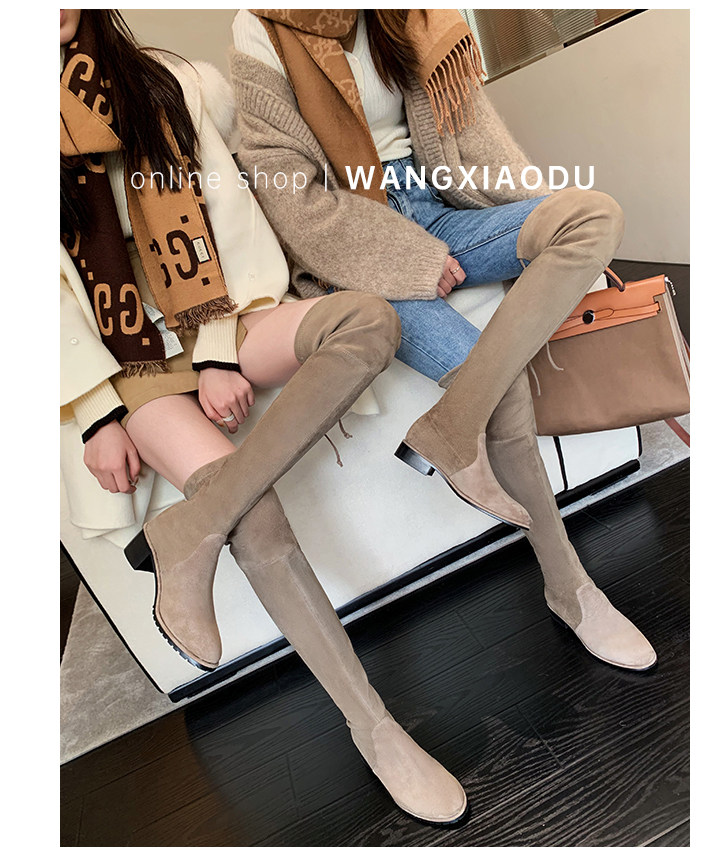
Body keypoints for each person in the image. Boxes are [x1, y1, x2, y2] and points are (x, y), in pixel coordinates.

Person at [60, 9, 468, 825]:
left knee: (365, 321)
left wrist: (217, 348)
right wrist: (97, 413)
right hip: (126, 360)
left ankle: (190, 528)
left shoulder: (164, 83)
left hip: (215, 314)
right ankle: (375, 728)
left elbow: (231, 214)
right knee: (257, 517)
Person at [229, 8, 657, 671]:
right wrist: (407, 259)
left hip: (441, 204)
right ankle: (570, 588)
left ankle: (451, 427)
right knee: (499, 384)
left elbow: (474, 133)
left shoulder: (414, 11)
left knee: (591, 215)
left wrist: (540, 220)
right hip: (357, 237)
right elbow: (290, 197)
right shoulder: (261, 26)